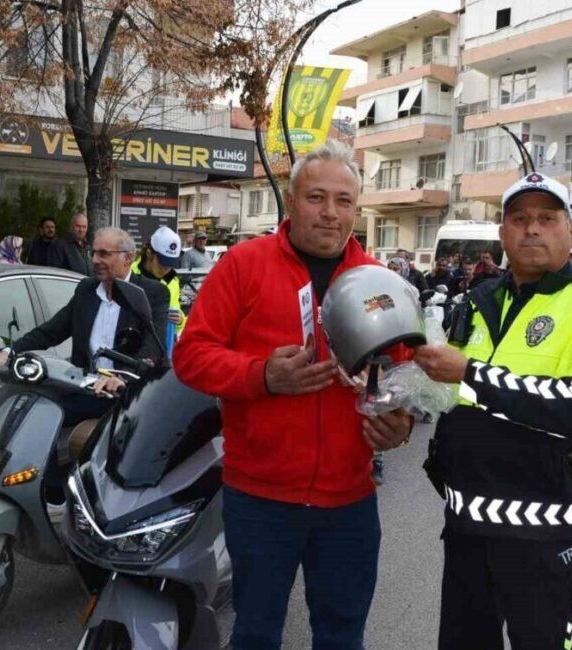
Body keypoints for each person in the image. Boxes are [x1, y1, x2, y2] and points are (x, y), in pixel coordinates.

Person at [173, 140, 412, 650]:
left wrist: (401, 424)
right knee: (256, 635)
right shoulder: (243, 264)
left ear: (356, 208)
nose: (330, 213)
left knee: (342, 638)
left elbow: (405, 373)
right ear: (291, 200)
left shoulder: (379, 280)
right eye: (316, 197)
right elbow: (190, 356)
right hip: (260, 500)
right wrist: (262, 376)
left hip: (349, 502)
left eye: (344, 201)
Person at [413, 171, 572, 650]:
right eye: (519, 219)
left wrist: (471, 373)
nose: (532, 228)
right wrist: (404, 399)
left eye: (547, 219)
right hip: (467, 520)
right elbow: (447, 392)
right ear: (503, 232)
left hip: (543, 531)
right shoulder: (477, 300)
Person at [0, 227, 169, 423]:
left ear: (128, 258)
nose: (95, 260)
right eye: (93, 253)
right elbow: (52, 330)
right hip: (88, 389)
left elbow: (153, 346)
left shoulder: (151, 292)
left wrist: (123, 378)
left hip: (129, 395)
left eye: (104, 254)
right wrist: (11, 350)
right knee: (31, 413)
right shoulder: (87, 289)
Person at [132, 225, 185, 337]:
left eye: (170, 264)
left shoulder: (172, 283)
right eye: (162, 262)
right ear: (149, 253)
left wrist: (180, 320)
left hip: (159, 342)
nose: (166, 269)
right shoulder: (128, 274)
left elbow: (174, 326)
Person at [50, 212, 94, 276]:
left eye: (84, 227)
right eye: (78, 226)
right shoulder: (60, 246)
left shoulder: (88, 247)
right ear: (71, 227)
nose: (81, 230)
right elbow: (56, 272)